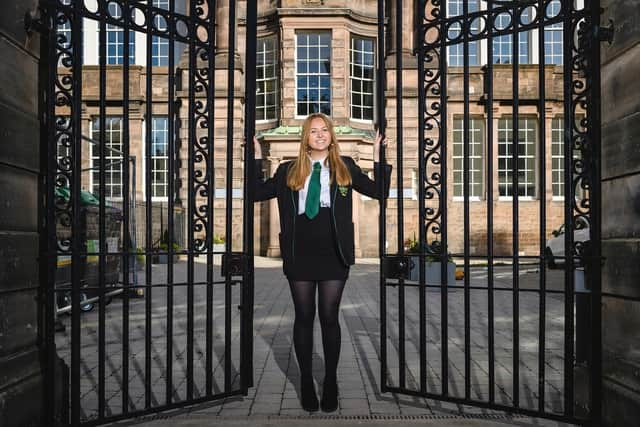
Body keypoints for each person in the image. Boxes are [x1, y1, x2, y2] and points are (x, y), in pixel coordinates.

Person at [252, 113, 391, 412]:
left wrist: (380, 156)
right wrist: (254, 159)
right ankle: (305, 380)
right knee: (304, 316)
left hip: (333, 251)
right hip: (300, 250)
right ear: (306, 136)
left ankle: (330, 380)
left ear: (331, 136)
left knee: (329, 317)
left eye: (324, 130)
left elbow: (379, 191)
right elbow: (254, 193)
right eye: (313, 131)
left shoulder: (345, 167)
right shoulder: (287, 170)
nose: (319, 135)